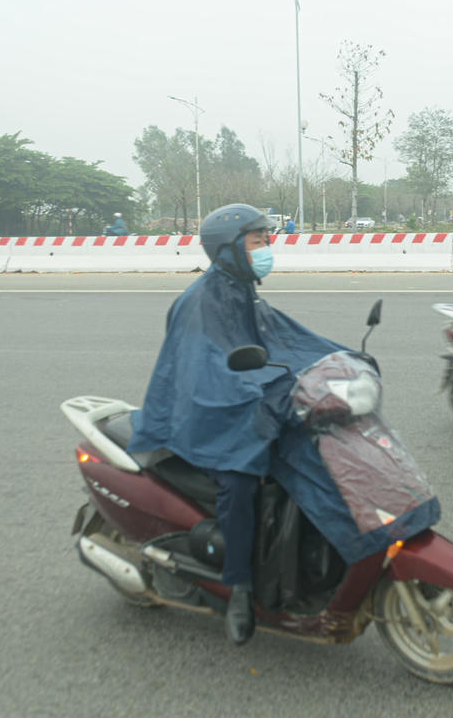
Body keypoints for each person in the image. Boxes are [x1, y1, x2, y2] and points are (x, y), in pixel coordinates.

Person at [126, 204, 345, 644]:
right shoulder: (200, 303)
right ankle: (239, 586)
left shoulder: (242, 289)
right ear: (227, 248)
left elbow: (283, 340)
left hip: (239, 399)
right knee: (239, 479)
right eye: (257, 241)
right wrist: (261, 398)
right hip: (200, 416)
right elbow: (205, 374)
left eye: (267, 240)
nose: (266, 248)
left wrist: (336, 362)